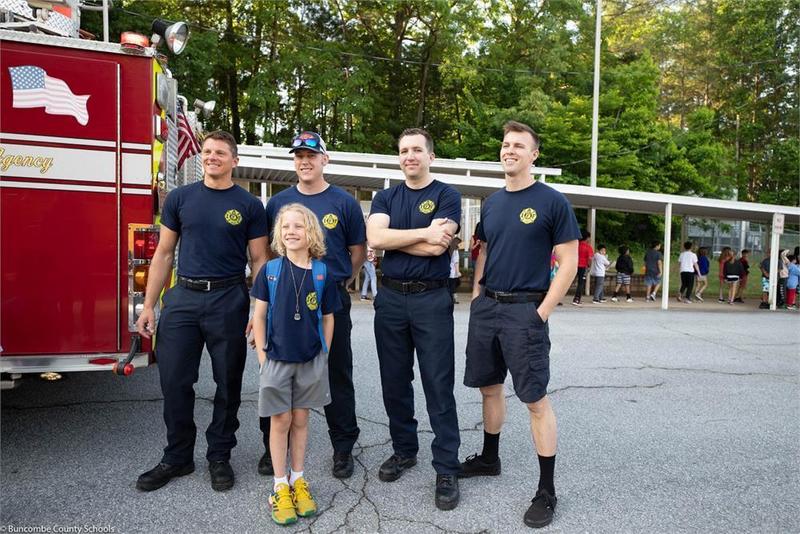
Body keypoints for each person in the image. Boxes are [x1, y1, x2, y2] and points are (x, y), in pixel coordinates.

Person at [459, 121, 579, 529]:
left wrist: (541, 312)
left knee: (534, 400)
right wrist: (477, 294)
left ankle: (547, 490)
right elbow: (485, 250)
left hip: (525, 311)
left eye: (518, 146)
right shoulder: (491, 203)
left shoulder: (551, 201)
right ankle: (489, 458)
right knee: (489, 387)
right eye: (506, 145)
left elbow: (569, 263)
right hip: (487, 308)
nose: (509, 150)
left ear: (534, 155)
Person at [135, 131, 268, 492]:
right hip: (183, 299)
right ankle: (177, 457)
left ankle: (219, 455)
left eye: (220, 153)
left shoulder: (249, 205)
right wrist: (149, 305)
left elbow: (259, 260)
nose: (211, 157)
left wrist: (259, 313)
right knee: (175, 381)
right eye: (207, 151)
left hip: (229, 299)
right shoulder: (180, 198)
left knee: (228, 383)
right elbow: (163, 254)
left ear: (234, 160)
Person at [261, 131, 367, 480]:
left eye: (311, 155)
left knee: (336, 373)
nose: (304, 161)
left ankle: (343, 447)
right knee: (277, 372)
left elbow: (357, 251)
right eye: (298, 156)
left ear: (325, 159)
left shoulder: (344, 202)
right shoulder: (279, 203)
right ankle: (272, 448)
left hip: (327, 296)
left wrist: (339, 286)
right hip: (283, 299)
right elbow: (269, 253)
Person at [366, 128, 462, 511]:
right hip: (390, 299)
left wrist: (396, 238)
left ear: (430, 156)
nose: (410, 156)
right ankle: (405, 450)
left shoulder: (446, 195)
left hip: (431, 299)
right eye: (404, 150)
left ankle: (446, 467)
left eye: (417, 150)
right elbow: (375, 238)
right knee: (394, 382)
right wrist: (423, 235)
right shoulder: (386, 196)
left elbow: (441, 245)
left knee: (438, 384)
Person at [251, 203, 341, 525]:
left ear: (311, 233)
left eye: (298, 226)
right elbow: (259, 316)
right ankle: (279, 484)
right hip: (275, 360)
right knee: (281, 421)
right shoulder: (270, 271)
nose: (291, 231)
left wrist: (323, 354)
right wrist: (262, 358)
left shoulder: (321, 273)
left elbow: (328, 319)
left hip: (309, 361)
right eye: (285, 226)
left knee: (301, 420)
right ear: (279, 233)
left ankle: (298, 479)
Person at [571, 230, 593, 306]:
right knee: (581, 283)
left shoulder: (576, 245)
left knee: (568, 282)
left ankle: (558, 298)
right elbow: (590, 258)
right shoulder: (588, 247)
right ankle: (577, 299)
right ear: (587, 238)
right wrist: (589, 266)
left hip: (574, 265)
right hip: (583, 266)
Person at [448, 237, 463, 304]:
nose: (459, 245)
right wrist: (458, 272)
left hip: (446, 271)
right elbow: (456, 262)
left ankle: (449, 298)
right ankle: (453, 299)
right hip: (452, 272)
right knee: (453, 286)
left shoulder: (448, 248)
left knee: (448, 286)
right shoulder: (455, 250)